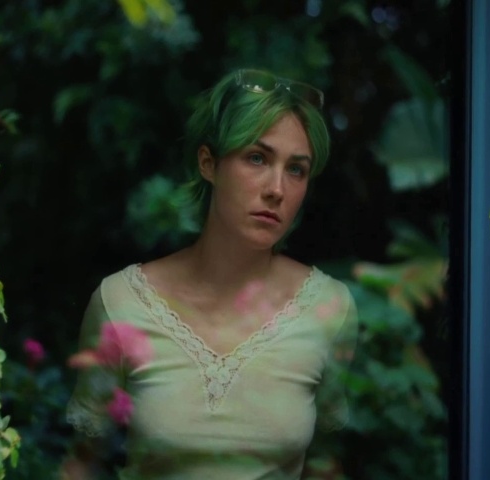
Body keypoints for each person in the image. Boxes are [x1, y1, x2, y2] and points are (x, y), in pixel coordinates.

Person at [64, 69, 358, 480]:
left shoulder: (329, 307)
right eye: (257, 158)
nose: (277, 189)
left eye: (296, 170)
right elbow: (82, 463)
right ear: (209, 163)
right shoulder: (120, 301)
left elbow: (326, 465)